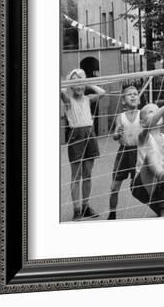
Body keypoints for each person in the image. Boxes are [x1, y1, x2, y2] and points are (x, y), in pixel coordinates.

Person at [61, 68, 105, 220]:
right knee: (76, 175)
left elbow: (102, 93)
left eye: (81, 83)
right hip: (76, 136)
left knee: (87, 174)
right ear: (70, 85)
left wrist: (88, 83)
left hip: (90, 134)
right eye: (75, 83)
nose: (78, 86)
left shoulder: (87, 99)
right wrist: (67, 83)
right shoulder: (67, 99)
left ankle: (86, 206)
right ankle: (77, 210)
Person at [107, 85, 142, 220]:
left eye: (135, 94)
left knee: (142, 185)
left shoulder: (142, 113)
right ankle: (112, 214)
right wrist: (117, 133)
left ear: (139, 99)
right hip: (123, 152)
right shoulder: (120, 117)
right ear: (123, 101)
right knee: (114, 187)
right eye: (129, 94)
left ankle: (159, 205)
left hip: (139, 152)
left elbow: (151, 125)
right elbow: (115, 136)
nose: (133, 96)